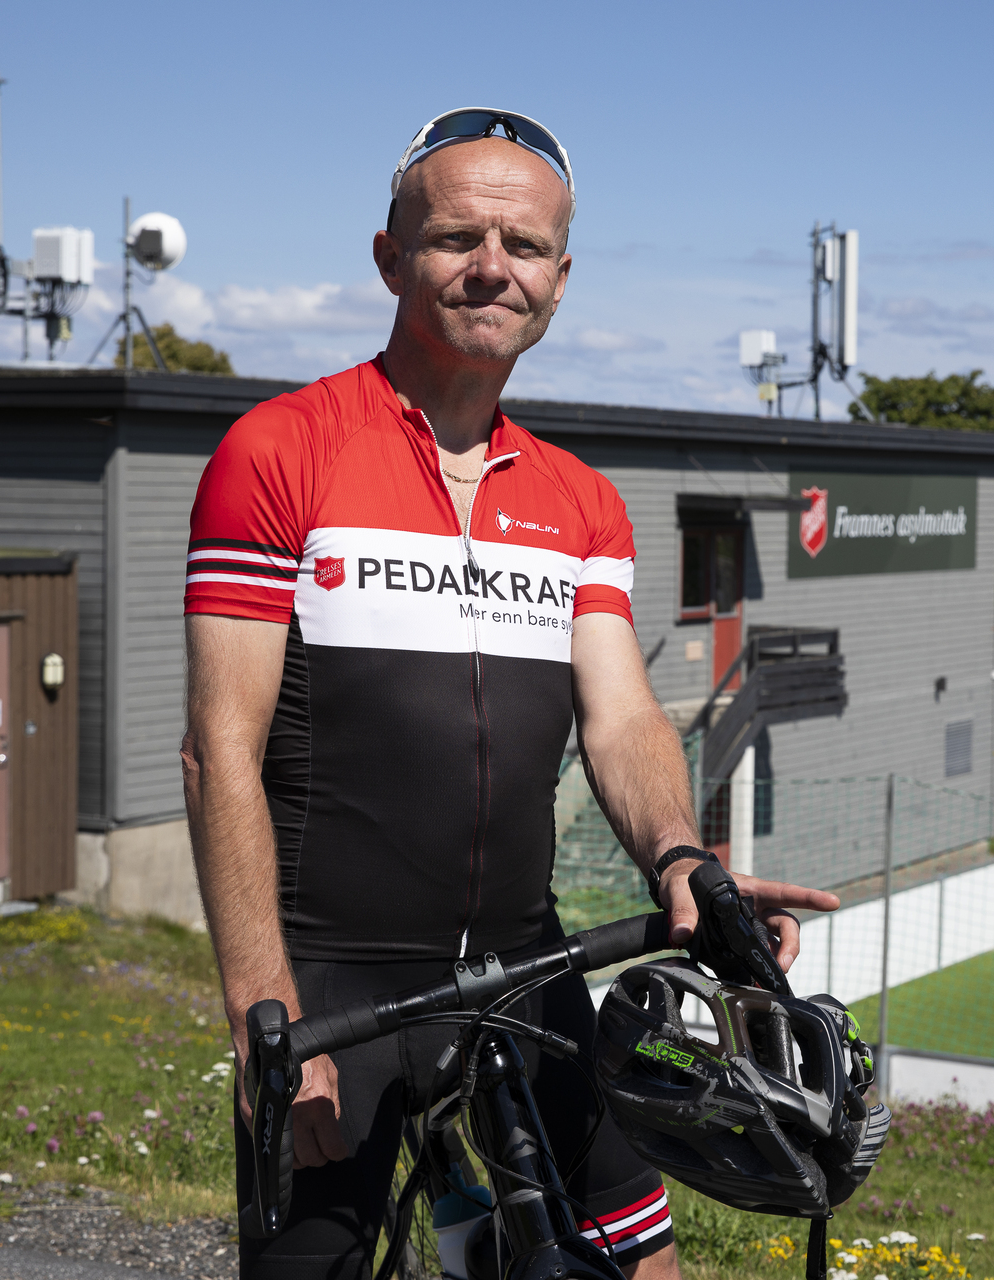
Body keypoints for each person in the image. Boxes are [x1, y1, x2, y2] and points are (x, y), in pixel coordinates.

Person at [181, 108, 838, 1280]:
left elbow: (624, 717)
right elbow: (216, 748)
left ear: (561, 277)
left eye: (525, 247)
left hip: (529, 970)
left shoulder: (581, 500)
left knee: (646, 1264)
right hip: (337, 985)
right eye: (457, 238)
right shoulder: (281, 451)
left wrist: (684, 860)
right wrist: (262, 1014)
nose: (494, 268)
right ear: (391, 256)